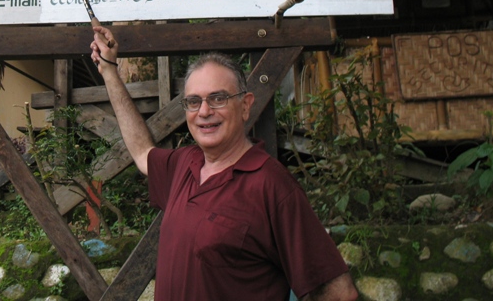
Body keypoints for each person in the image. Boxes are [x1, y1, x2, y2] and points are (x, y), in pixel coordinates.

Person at [91, 25, 358, 301]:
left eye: (218, 98)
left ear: (245, 106)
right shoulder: (185, 164)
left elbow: (339, 293)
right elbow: (142, 151)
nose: (204, 111)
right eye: (194, 102)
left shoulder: (272, 186)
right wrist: (110, 70)